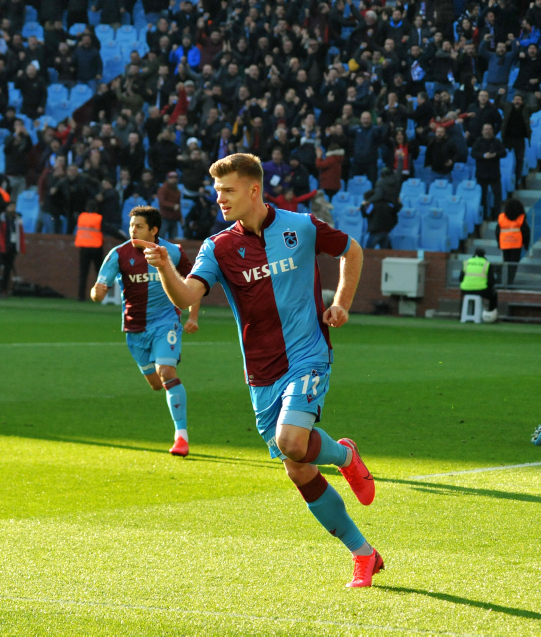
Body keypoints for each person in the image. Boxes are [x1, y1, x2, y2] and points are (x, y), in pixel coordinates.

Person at [137, 153, 382, 588]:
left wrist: (342, 302)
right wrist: (165, 268)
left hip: (307, 355)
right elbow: (186, 296)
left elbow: (352, 250)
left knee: (292, 442)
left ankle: (345, 457)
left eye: (228, 191)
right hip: (261, 371)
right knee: (298, 467)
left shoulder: (301, 226)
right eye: (217, 192)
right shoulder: (218, 247)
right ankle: (363, 552)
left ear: (254, 190)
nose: (220, 199)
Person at [90, 206, 200, 456]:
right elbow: (98, 288)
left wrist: (193, 316)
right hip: (135, 328)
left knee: (167, 371)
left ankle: (181, 437)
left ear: (153, 230)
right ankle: (169, 398)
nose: (133, 230)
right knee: (156, 384)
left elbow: (194, 284)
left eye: (139, 226)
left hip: (166, 321)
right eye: (131, 226)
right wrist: (97, 293)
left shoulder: (172, 252)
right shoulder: (119, 254)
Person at [0, 201, 25, 298]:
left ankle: (3, 290)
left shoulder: (17, 219)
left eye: (14, 206)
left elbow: (20, 235)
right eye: (11, 206)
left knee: (7, 271)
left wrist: (21, 248)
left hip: (12, 247)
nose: (13, 208)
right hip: (1, 247)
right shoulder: (1, 219)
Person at [495, 198, 530, 286]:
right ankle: (509, 281)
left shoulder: (502, 218)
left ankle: (502, 277)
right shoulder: (521, 219)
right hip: (516, 245)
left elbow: (497, 231)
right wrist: (526, 244)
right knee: (513, 264)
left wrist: (499, 243)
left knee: (506, 262)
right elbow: (526, 232)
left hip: (505, 244)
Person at [459, 247, 498, 313]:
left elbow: (460, 279)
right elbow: (491, 281)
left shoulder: (467, 262)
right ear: (484, 255)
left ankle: (462, 314)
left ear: (474, 254)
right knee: (494, 294)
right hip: (481, 290)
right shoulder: (487, 264)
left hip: (465, 290)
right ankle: (491, 314)